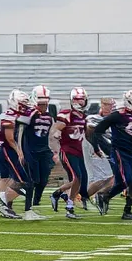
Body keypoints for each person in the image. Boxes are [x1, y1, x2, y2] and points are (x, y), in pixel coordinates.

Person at [90, 89, 132, 220]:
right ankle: (105, 196)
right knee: (126, 179)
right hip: (120, 151)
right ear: (128, 102)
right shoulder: (118, 115)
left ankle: (126, 210)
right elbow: (98, 130)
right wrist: (98, 147)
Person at [49, 87, 88, 219]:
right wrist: (57, 133)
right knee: (77, 178)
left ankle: (62, 197)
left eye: (82, 99)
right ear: (72, 101)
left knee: (80, 180)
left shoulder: (83, 116)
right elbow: (58, 127)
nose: (80, 102)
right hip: (68, 151)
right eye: (77, 99)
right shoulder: (67, 114)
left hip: (79, 152)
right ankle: (67, 204)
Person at [0, 89, 33, 220]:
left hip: (10, 150)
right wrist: (19, 151)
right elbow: (10, 138)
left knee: (12, 179)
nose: (25, 105)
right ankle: (3, 203)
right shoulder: (10, 115)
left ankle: (7, 205)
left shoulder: (18, 114)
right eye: (22, 103)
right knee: (23, 181)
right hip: (9, 150)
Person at [20, 85, 55, 217]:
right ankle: (27, 209)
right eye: (41, 100)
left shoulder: (49, 114)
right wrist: (20, 151)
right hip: (30, 150)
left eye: (45, 100)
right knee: (31, 181)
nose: (44, 103)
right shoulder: (29, 113)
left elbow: (51, 134)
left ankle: (35, 203)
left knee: (43, 180)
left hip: (44, 150)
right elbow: (20, 132)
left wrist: (55, 150)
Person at [82, 97, 117, 213]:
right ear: (101, 105)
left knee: (116, 179)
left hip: (110, 151)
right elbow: (88, 130)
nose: (108, 107)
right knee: (105, 178)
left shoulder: (114, 119)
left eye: (110, 105)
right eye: (106, 105)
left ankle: (98, 196)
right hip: (97, 151)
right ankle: (84, 196)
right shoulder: (93, 118)